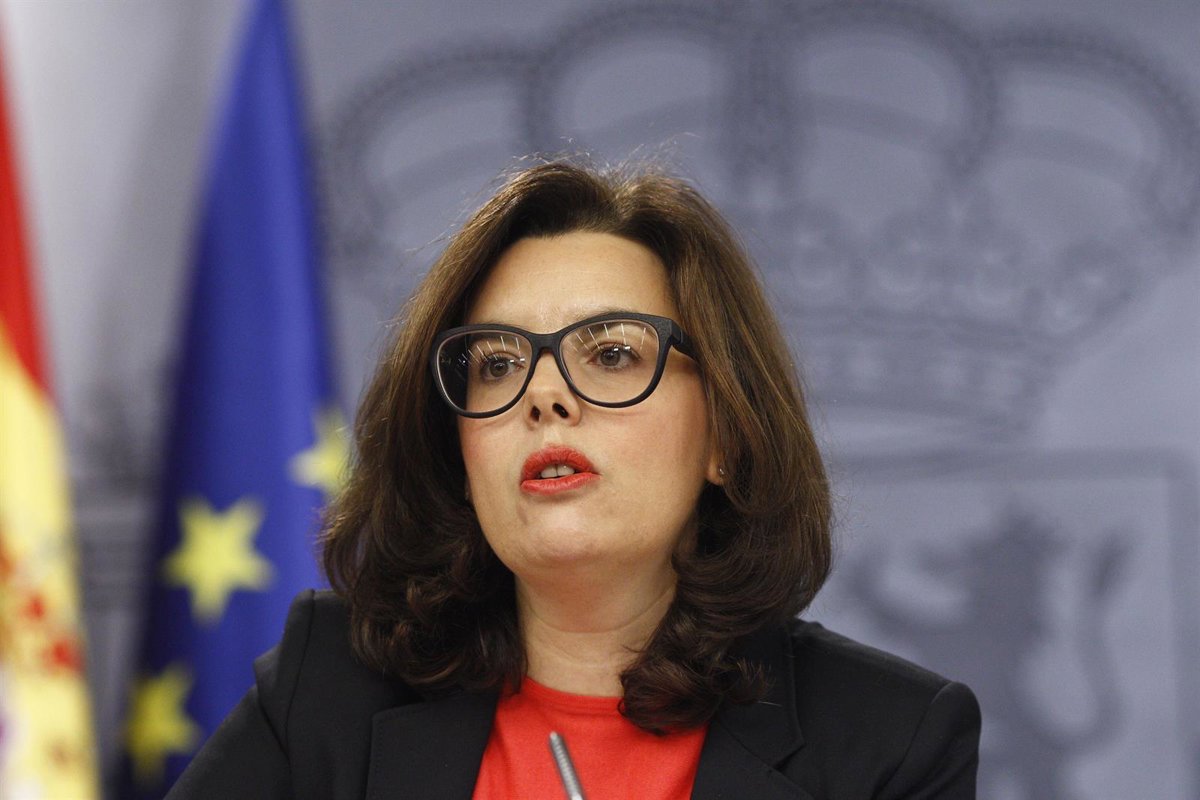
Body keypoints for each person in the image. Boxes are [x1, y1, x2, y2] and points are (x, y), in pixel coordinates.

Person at [168, 160, 981, 799]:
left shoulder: (890, 740)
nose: (544, 395)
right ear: (461, 453)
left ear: (726, 437)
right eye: (497, 364)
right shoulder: (332, 688)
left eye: (613, 353)